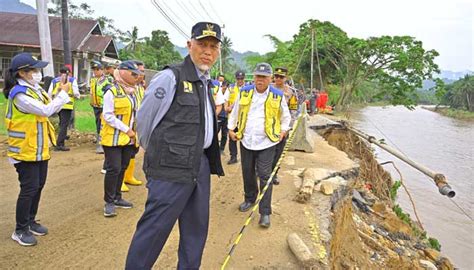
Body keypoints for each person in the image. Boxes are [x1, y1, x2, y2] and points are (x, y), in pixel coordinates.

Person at [126, 22, 224, 269]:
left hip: (199, 167)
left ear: (219, 52)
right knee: (153, 231)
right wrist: (162, 155)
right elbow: (145, 123)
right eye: (202, 44)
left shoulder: (205, 82)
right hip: (170, 169)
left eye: (213, 46)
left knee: (195, 232)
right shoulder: (170, 78)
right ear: (189, 45)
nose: (207, 51)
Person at [4, 52, 70, 246]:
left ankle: (31, 221)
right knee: (29, 188)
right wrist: (64, 94)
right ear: (22, 73)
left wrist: (59, 96)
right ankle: (20, 229)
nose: (37, 72)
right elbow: (45, 110)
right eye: (34, 69)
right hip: (24, 151)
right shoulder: (19, 94)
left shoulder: (35, 89)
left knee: (38, 185)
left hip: (39, 149)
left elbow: (51, 106)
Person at [228, 63, 291, 228]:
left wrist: (283, 131)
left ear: (270, 78)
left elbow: (286, 117)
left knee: (265, 175)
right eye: (257, 76)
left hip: (267, 142)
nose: (260, 80)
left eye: (264, 77)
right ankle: (249, 199)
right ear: (253, 77)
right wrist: (230, 128)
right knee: (247, 172)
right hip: (247, 140)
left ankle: (265, 212)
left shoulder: (277, 95)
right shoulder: (245, 92)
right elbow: (236, 111)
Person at [100, 60, 142, 217]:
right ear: (123, 72)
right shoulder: (111, 91)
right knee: (114, 169)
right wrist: (127, 130)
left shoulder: (133, 91)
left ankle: (118, 197)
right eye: (133, 74)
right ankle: (109, 202)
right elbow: (108, 116)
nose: (136, 77)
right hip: (113, 138)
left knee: (123, 166)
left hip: (129, 138)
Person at [121, 60, 146, 192]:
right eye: (138, 72)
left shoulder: (139, 87)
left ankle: (128, 176)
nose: (140, 74)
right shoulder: (123, 87)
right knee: (119, 157)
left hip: (136, 126)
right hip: (123, 127)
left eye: (142, 72)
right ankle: (119, 181)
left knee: (132, 152)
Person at [48, 66, 80, 151]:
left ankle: (62, 137)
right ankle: (60, 144)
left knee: (61, 123)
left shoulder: (54, 80)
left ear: (59, 72)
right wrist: (77, 96)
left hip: (57, 105)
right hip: (67, 105)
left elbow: (49, 93)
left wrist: (52, 102)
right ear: (69, 73)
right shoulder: (72, 80)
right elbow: (76, 92)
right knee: (64, 125)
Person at [270, 67, 292, 185]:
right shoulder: (268, 88)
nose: (278, 79)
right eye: (276, 76)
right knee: (267, 150)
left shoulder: (290, 91)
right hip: (269, 124)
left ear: (285, 78)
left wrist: (288, 127)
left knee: (278, 152)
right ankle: (262, 171)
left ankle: (274, 173)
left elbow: (293, 110)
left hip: (282, 126)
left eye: (281, 77)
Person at [226, 70, 245, 164]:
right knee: (232, 138)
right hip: (232, 118)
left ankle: (246, 158)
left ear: (244, 79)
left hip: (243, 119)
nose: (240, 80)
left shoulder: (248, 89)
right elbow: (226, 99)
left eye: (241, 78)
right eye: (238, 79)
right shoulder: (231, 88)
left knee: (244, 138)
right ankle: (233, 157)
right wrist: (227, 107)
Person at [89, 60, 109, 154]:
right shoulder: (93, 80)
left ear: (102, 70)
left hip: (104, 106)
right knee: (98, 123)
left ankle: (102, 144)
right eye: (94, 70)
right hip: (96, 106)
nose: (95, 71)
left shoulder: (107, 80)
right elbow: (92, 92)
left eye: (97, 69)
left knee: (103, 124)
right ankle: (100, 140)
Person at [216, 80, 229, 153]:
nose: (225, 88)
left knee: (224, 134)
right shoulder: (217, 93)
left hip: (226, 117)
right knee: (215, 132)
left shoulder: (229, 93)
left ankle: (222, 149)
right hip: (218, 116)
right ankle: (214, 148)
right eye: (224, 87)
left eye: (226, 87)